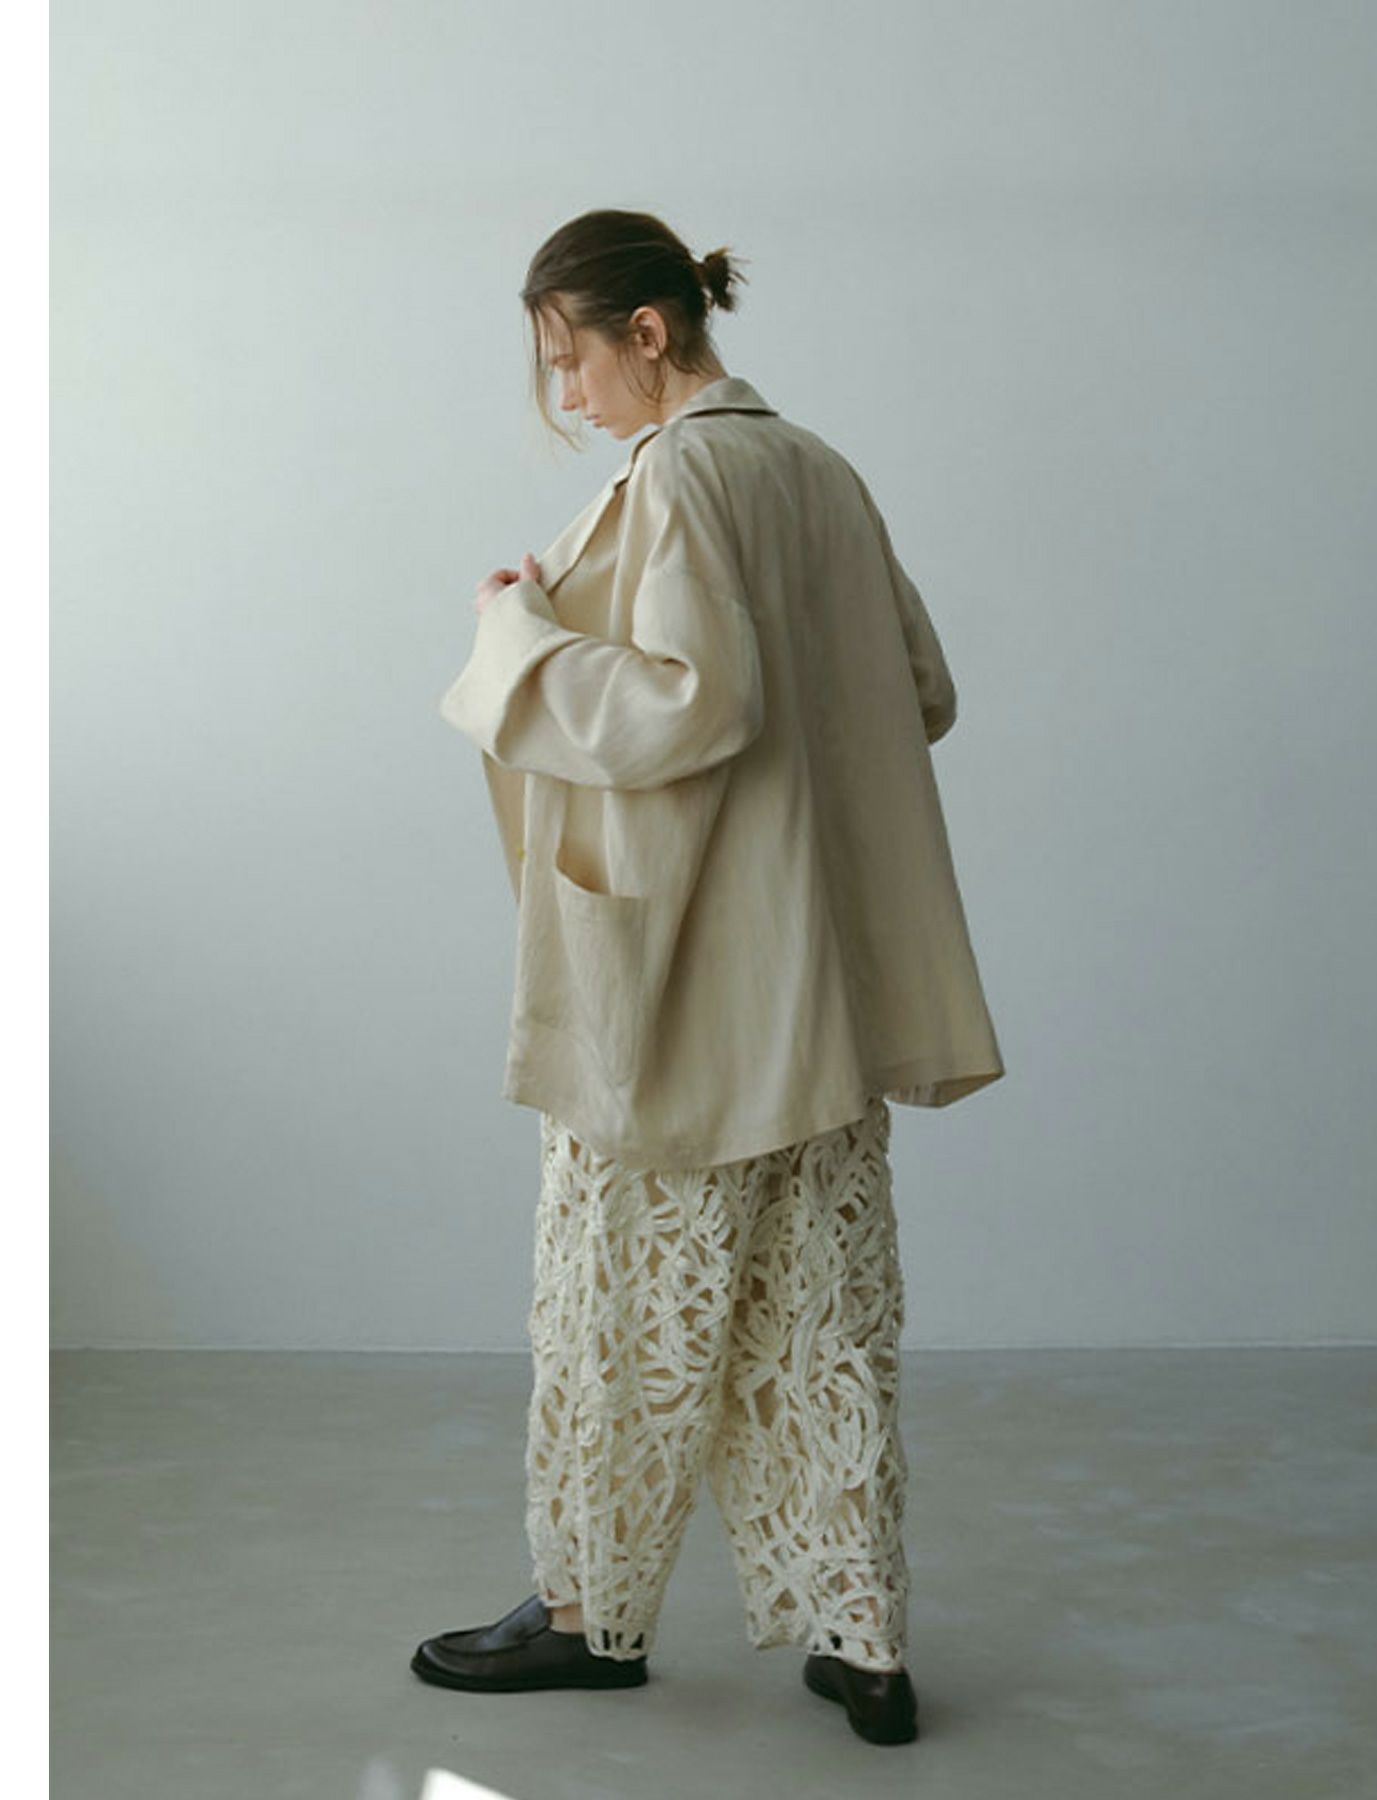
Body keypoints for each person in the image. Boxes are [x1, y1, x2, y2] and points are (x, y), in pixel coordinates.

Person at [411, 208, 1005, 1747]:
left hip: (692, 982)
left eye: (571, 361)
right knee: (820, 1326)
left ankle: (587, 1618)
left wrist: (514, 630)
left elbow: (690, 705)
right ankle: (867, 1647)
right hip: (825, 988)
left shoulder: (678, 473)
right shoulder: (819, 469)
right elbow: (922, 689)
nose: (567, 398)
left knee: (617, 1314)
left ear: (648, 333)